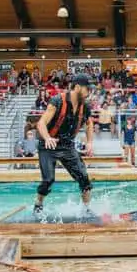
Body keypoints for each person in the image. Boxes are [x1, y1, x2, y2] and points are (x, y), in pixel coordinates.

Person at [33, 73, 94, 214]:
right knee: (48, 180)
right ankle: (38, 203)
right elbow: (41, 123)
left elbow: (89, 123)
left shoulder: (84, 106)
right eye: (87, 89)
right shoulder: (57, 101)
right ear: (77, 87)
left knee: (84, 178)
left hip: (67, 145)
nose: (89, 92)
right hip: (49, 145)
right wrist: (47, 138)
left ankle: (86, 210)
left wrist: (90, 142)